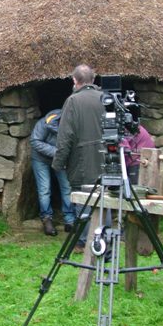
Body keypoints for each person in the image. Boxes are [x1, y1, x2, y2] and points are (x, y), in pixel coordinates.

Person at [52, 64, 104, 251]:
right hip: (105, 160)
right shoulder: (105, 98)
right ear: (93, 80)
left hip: (82, 161)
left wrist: (58, 163)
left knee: (83, 201)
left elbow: (65, 136)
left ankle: (83, 242)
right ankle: (103, 238)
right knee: (103, 198)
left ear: (75, 81)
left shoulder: (73, 101)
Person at [30, 108, 75, 236]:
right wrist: (57, 153)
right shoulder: (44, 123)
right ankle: (47, 219)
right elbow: (35, 141)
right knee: (44, 189)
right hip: (40, 159)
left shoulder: (74, 124)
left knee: (67, 187)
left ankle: (70, 221)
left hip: (61, 159)